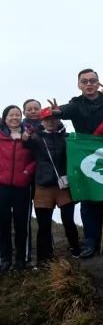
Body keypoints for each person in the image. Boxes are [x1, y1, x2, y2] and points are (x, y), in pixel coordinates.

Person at [50, 69, 103, 257]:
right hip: (87, 159)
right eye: (85, 81)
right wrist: (56, 111)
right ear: (79, 84)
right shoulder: (75, 104)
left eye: (92, 81)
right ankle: (90, 241)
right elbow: (61, 111)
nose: (89, 84)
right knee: (89, 200)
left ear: (98, 83)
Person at [23, 108, 80, 265]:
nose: (50, 122)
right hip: (43, 186)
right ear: (41, 121)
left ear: (59, 120)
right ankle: (43, 259)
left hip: (64, 186)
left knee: (68, 220)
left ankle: (76, 249)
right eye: (47, 119)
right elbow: (25, 142)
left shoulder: (67, 138)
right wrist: (25, 136)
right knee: (44, 225)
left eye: (54, 119)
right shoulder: (35, 138)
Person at [0, 106, 35, 271]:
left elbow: (37, 157)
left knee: (22, 223)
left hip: (23, 187)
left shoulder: (29, 136)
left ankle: (22, 259)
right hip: (2, 187)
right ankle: (5, 259)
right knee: (3, 223)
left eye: (17, 115)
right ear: (4, 118)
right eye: (10, 115)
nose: (14, 117)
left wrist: (27, 172)